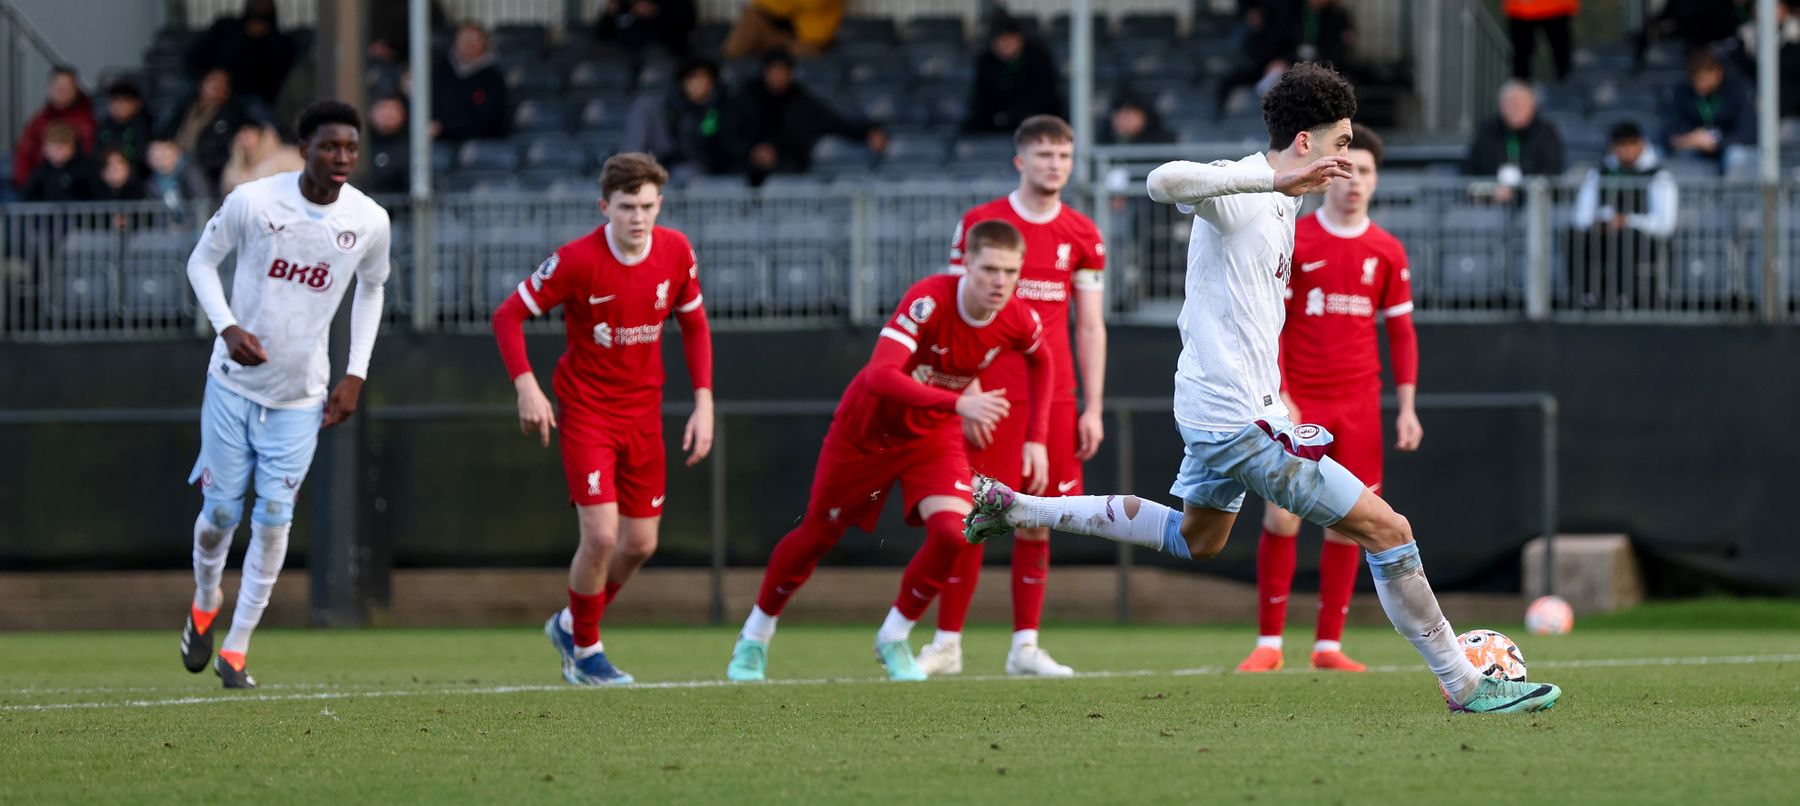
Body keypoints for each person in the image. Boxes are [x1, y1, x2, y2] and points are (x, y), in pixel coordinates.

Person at [962, 63, 1562, 714]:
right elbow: (1161, 181)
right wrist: (1272, 178)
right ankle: (1466, 683)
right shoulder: (1247, 188)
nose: (1347, 158)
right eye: (1341, 143)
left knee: (1199, 538)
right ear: (1304, 144)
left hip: (1232, 409)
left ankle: (1018, 508)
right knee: (1388, 528)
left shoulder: (1285, 203)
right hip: (1233, 417)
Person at [725, 220, 1052, 683]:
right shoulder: (930, 300)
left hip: (932, 437)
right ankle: (755, 637)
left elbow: (1043, 360)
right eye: (989, 269)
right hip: (867, 432)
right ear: (966, 265)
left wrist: (1035, 437)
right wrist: (959, 402)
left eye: (1011, 271)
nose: (1000, 282)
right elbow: (880, 375)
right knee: (818, 534)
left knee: (953, 533)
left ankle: (894, 635)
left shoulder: (1017, 317)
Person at [178, 100, 390, 690]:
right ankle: (203, 603)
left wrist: (356, 373)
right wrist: (227, 327)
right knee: (221, 514)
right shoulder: (253, 201)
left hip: (302, 396)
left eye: (350, 147)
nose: (342, 157)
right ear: (304, 149)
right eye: (330, 146)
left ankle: (238, 651)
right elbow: (201, 263)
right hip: (232, 385)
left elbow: (372, 290)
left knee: (274, 520)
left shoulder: (369, 220)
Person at [491, 153, 714, 686]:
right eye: (626, 207)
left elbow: (696, 326)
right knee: (601, 536)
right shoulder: (576, 260)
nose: (638, 218)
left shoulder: (677, 251)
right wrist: (527, 386)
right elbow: (507, 315)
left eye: (647, 206)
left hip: (645, 414)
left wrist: (704, 402)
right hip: (588, 412)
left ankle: (571, 623)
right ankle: (587, 652)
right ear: (605, 207)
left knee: (640, 544)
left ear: (660, 203)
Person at [910, 116, 1106, 679]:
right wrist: (965, 390)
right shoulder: (981, 224)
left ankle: (1025, 646)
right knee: (969, 518)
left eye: (1064, 155)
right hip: (988, 398)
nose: (1055, 165)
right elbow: (950, 311)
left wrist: (1092, 404)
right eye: (1044, 154)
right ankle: (947, 644)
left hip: (1055, 400)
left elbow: (1090, 327)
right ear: (1021, 160)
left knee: (1039, 520)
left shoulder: (1083, 234)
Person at [1235, 123, 1418, 674]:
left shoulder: (1386, 249)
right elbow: (1273, 326)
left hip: (1360, 404)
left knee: (1350, 523)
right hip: (1301, 400)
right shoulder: (1298, 237)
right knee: (1283, 516)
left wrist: (1407, 406)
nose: (1354, 180)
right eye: (1346, 168)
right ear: (1328, 174)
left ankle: (1327, 646)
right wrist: (1281, 392)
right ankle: (1270, 641)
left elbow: (1402, 334)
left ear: (1376, 179)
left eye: (1365, 170)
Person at [1569, 121, 1678, 309]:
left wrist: (1628, 221)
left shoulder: (1659, 175)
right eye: (1621, 146)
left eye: (1630, 144)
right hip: (1604, 233)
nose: (1625, 151)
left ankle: (1623, 295)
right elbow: (1581, 215)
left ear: (1641, 144)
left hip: (1643, 238)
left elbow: (1665, 224)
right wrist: (1597, 223)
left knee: (1624, 236)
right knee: (1573, 236)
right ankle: (1585, 294)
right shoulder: (1600, 172)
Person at [737, 50, 885, 185]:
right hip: (741, 163)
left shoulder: (802, 101)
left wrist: (867, 131)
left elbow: (836, 123)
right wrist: (752, 151)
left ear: (791, 73)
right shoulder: (746, 98)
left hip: (788, 169)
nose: (778, 75)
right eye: (774, 70)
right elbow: (728, 134)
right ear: (765, 72)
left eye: (783, 70)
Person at [621, 58, 740, 184]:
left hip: (707, 167)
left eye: (704, 79)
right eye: (692, 79)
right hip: (669, 162)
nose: (698, 84)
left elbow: (717, 143)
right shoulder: (670, 105)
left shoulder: (721, 108)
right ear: (683, 82)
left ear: (712, 83)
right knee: (643, 104)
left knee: (688, 173)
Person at [1463, 80, 1564, 204]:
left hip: (1534, 205)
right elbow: (1471, 172)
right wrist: (1493, 189)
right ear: (1500, 105)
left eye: (1518, 103)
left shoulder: (1546, 133)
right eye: (1509, 103)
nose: (1513, 108)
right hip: (1490, 204)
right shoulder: (1487, 132)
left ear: (1532, 105)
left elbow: (1552, 171)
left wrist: (1519, 190)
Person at [963, 16, 1063, 135]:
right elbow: (981, 100)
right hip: (994, 124)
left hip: (1034, 121)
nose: (1005, 45)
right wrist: (1000, 117)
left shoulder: (1039, 59)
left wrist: (1016, 115)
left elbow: (1044, 97)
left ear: (1020, 40)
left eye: (1010, 39)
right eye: (1000, 40)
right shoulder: (985, 62)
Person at [185, 0, 297, 106]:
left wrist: (228, 87)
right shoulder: (224, 26)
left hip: (246, 99)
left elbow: (271, 81)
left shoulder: (281, 42)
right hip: (205, 89)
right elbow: (193, 58)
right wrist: (208, 81)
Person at [1665, 49, 1757, 176]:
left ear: (1718, 72)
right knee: (1674, 156)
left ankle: (1732, 195)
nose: (1699, 86)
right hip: (1696, 147)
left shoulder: (1738, 88)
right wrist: (1687, 139)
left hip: (1730, 145)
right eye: (1695, 81)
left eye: (1703, 79)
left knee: (1736, 156)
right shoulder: (1683, 91)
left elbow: (1748, 134)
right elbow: (1669, 132)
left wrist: (1716, 142)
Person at [163, 68, 247, 195]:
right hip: (174, 160)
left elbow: (227, 150)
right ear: (202, 84)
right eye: (212, 81)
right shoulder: (186, 106)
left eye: (223, 84)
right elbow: (166, 132)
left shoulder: (231, 116)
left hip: (206, 170)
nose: (217, 87)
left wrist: (196, 160)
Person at [12, 67, 96, 192]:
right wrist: (31, 187)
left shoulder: (88, 121)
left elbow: (92, 157)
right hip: (41, 192)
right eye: (58, 87)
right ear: (50, 88)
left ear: (76, 89)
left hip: (79, 191)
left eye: (67, 87)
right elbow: (24, 156)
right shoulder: (37, 122)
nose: (63, 91)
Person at [431, 23, 510, 143]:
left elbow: (489, 119)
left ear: (484, 43)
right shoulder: (439, 70)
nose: (468, 44)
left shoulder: (494, 78)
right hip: (439, 142)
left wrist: (444, 127)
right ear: (455, 42)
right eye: (464, 39)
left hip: (480, 145)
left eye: (474, 40)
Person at [722, 0, 843, 59]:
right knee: (751, 16)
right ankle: (726, 63)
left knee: (793, 55)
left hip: (810, 43)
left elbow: (812, 3)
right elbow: (763, 3)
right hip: (785, 34)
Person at [219, 119, 304, 196]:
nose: (245, 140)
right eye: (241, 135)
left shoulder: (286, 157)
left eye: (249, 134)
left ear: (260, 134)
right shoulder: (232, 169)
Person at [595, 0, 698, 60]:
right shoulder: (622, 4)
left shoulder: (673, 3)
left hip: (663, 56)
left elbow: (688, 21)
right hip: (623, 58)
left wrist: (655, 10)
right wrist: (609, 14)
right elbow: (601, 36)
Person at [22, 123, 97, 202]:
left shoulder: (85, 170)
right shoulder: (41, 171)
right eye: (53, 147)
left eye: (61, 147)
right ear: (45, 149)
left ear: (73, 147)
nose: (57, 152)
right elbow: (27, 197)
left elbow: (97, 195)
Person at [1504, 0, 1577, 81]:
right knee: (1521, 60)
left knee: (1562, 58)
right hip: (1522, 10)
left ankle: (1567, 86)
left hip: (1556, 8)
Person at [97, 80, 153, 173]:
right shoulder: (104, 124)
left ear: (136, 104)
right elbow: (96, 153)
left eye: (124, 101)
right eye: (115, 101)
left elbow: (141, 158)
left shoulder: (143, 126)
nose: (119, 105)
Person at [144, 139, 213, 214]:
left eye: (164, 155)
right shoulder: (152, 183)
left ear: (176, 153)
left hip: (196, 223)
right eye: (156, 157)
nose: (160, 161)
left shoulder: (191, 173)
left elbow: (203, 202)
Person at [365, 96, 411, 195]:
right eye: (382, 109)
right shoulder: (360, 142)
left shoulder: (411, 145)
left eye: (392, 111)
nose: (387, 115)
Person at [1099, 95, 1175, 145]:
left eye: (1128, 116)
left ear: (1143, 117)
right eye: (1120, 115)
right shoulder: (1103, 140)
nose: (1123, 121)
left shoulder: (1162, 141)